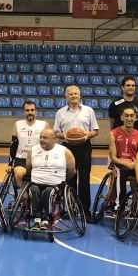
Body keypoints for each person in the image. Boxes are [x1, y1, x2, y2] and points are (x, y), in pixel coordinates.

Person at [53, 85, 99, 215]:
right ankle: (71, 209)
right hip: (67, 147)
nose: (73, 96)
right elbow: (56, 133)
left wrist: (86, 135)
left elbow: (95, 131)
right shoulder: (60, 112)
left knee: (84, 179)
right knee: (70, 179)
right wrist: (66, 135)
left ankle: (85, 210)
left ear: (80, 95)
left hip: (84, 147)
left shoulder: (88, 110)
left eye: (76, 93)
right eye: (71, 94)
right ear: (66, 96)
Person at [26, 129, 76, 230]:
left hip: (55, 184)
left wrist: (62, 180)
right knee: (33, 190)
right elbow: (28, 168)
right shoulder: (33, 150)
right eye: (40, 137)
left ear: (54, 139)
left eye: (45, 137)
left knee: (48, 192)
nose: (42, 140)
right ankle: (37, 218)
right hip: (36, 182)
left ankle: (47, 218)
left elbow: (72, 171)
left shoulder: (65, 151)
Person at [108, 107, 138, 206]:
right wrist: (126, 164)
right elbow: (113, 158)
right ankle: (119, 203)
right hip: (119, 164)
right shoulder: (113, 133)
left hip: (134, 164)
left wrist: (135, 163)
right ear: (121, 118)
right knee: (122, 171)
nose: (129, 118)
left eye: (131, 116)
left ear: (135, 118)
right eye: (126, 115)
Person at [11, 101, 50, 190]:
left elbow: (48, 145)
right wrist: (10, 164)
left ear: (36, 111)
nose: (30, 112)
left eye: (32, 110)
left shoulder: (44, 124)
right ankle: (23, 195)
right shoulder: (17, 124)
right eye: (27, 110)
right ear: (23, 112)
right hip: (21, 159)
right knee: (18, 174)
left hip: (38, 158)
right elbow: (13, 145)